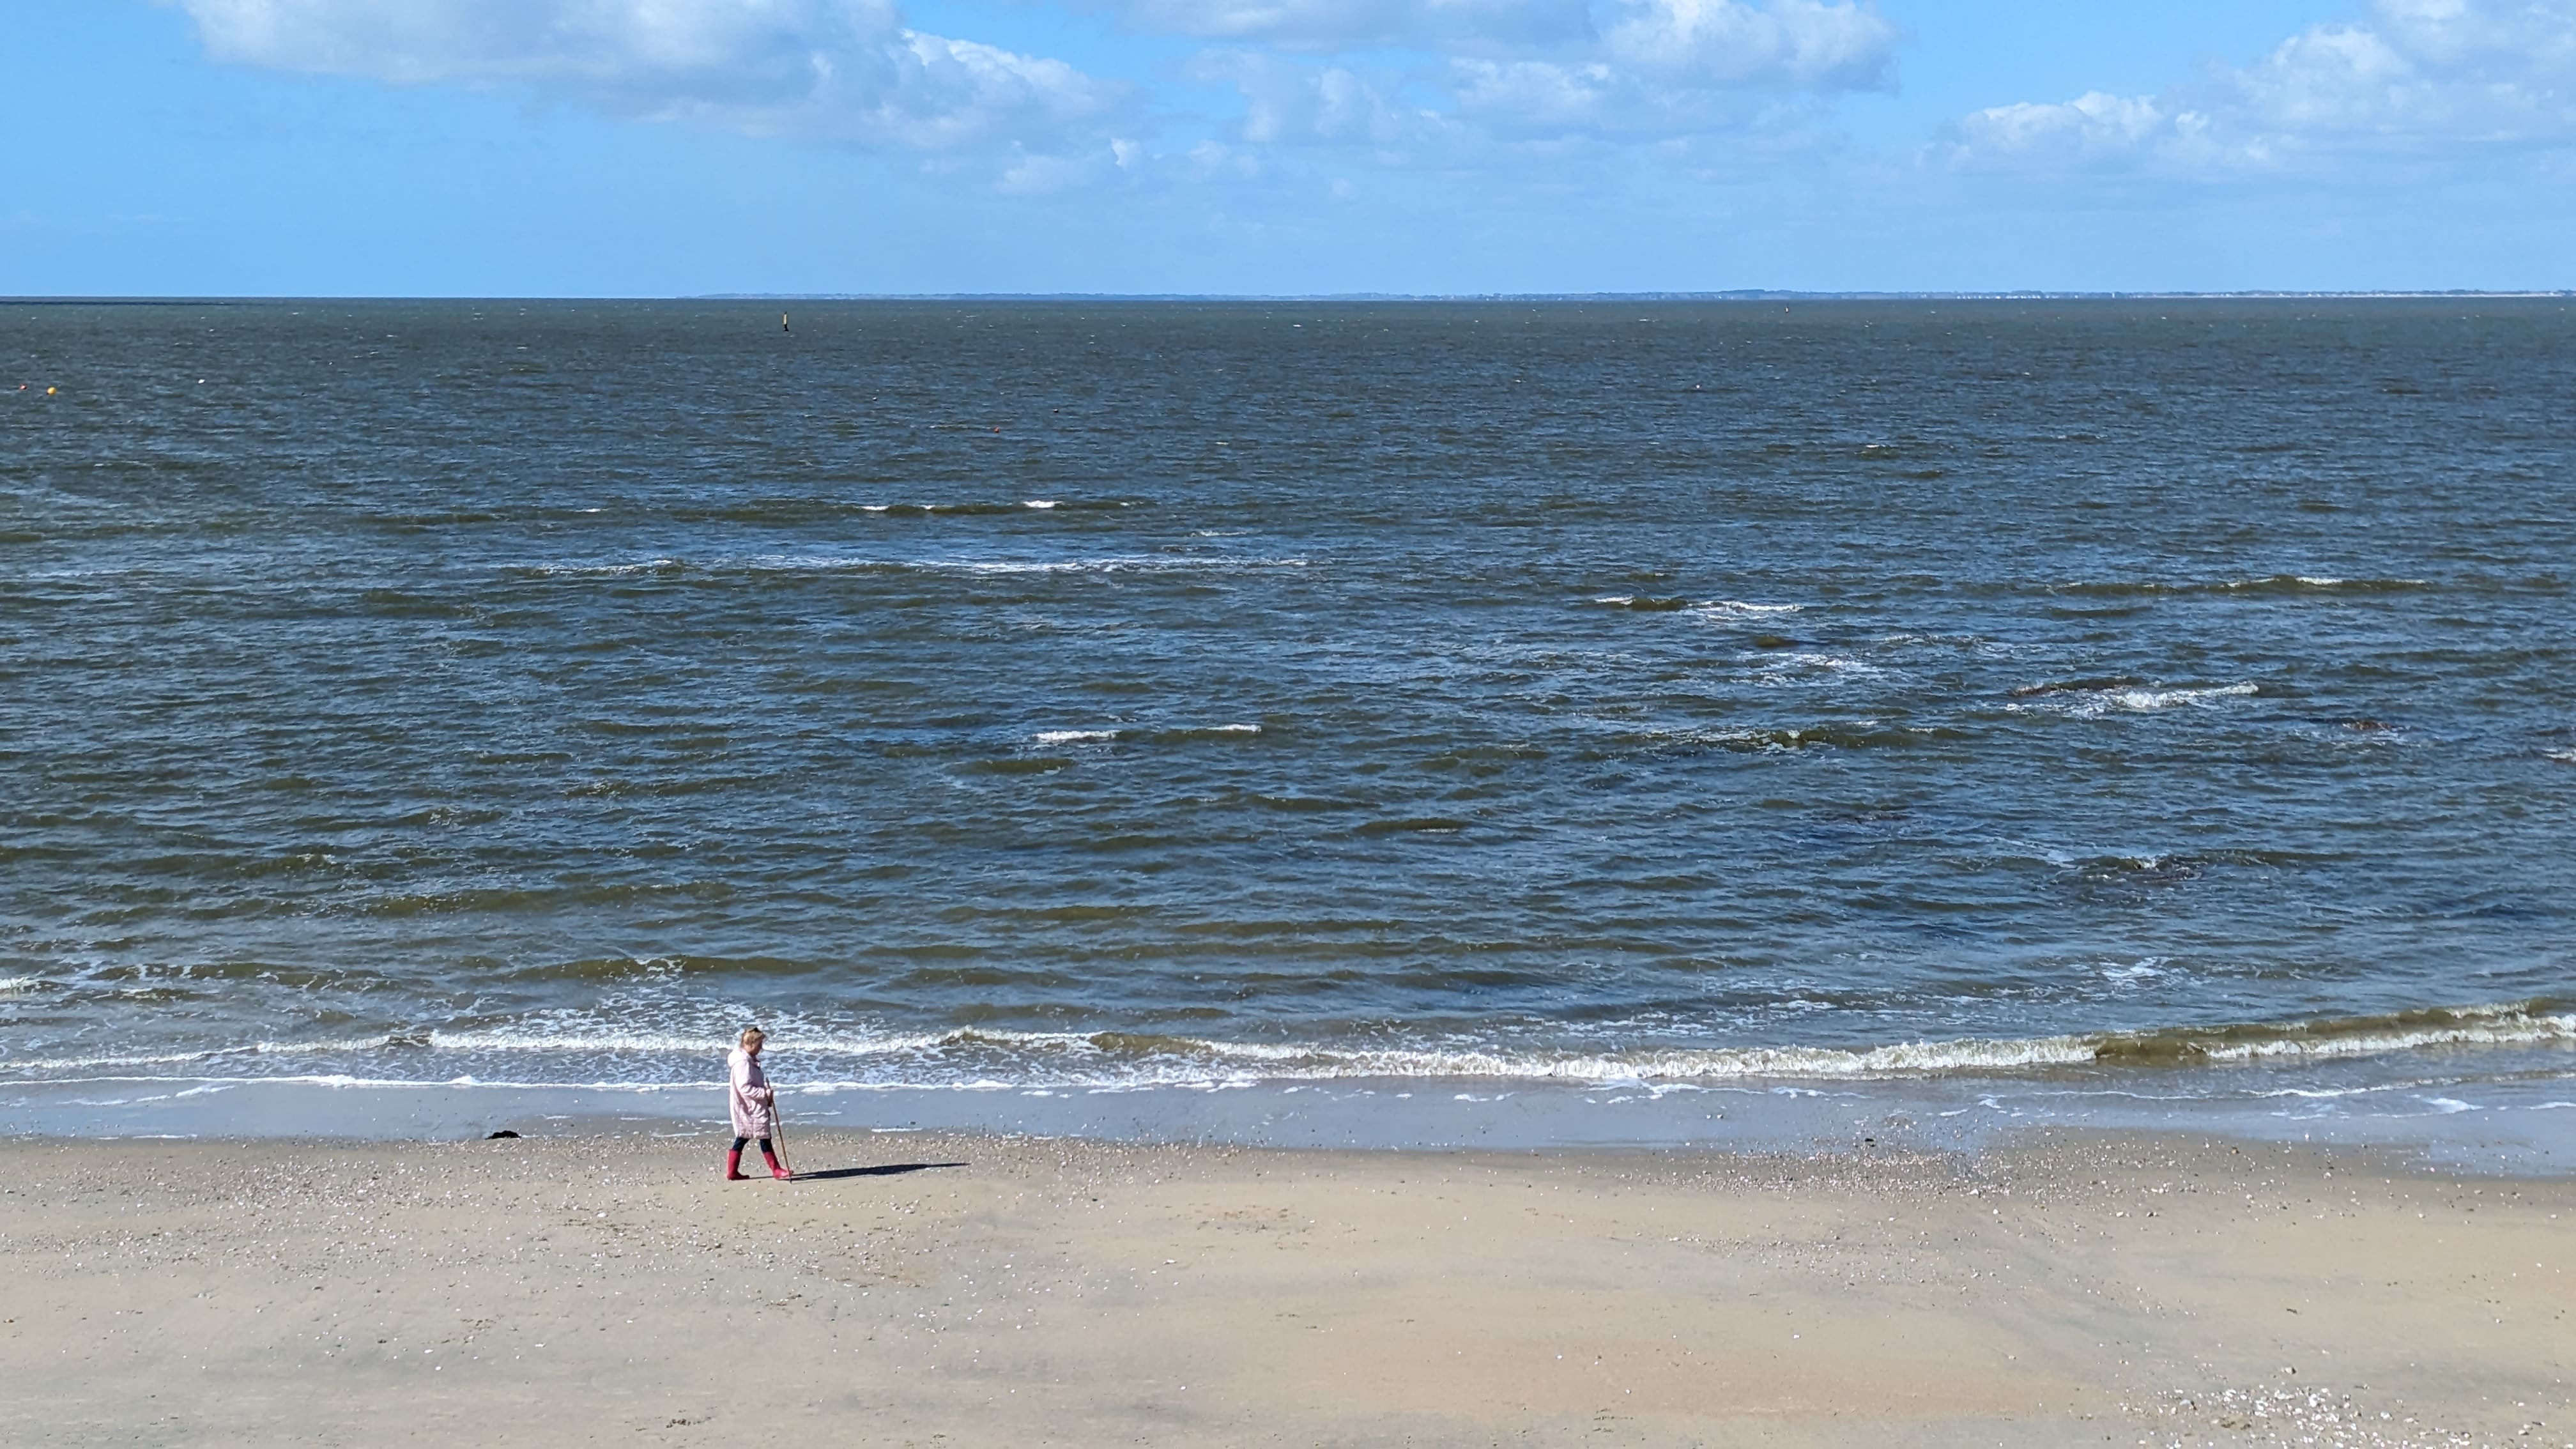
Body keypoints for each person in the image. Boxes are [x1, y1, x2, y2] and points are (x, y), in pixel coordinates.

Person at [725, 1026, 792, 1181]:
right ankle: (776, 1170)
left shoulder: (749, 1061)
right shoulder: (743, 1063)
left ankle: (733, 1172)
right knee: (760, 1137)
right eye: (759, 1044)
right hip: (750, 1108)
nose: (761, 1048)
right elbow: (745, 1088)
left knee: (747, 1137)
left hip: (751, 1107)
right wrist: (764, 1094)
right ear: (750, 1043)